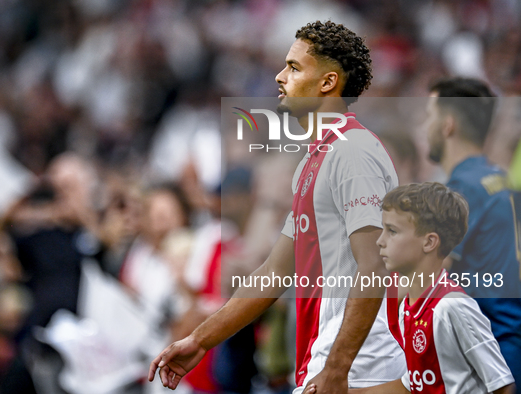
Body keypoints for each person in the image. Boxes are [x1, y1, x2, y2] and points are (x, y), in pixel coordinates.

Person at [148, 20, 406, 393]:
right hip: (327, 361)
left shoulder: (353, 153)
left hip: (362, 368)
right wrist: (201, 339)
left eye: (294, 67)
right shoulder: (314, 160)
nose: (279, 76)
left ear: (328, 82)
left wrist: (339, 368)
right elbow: (275, 270)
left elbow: (374, 264)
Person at [351, 182, 515, 393]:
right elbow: (412, 384)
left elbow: (502, 385)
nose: (380, 241)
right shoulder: (408, 308)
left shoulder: (452, 306)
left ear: (429, 242)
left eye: (391, 231)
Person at [425, 77, 521, 392]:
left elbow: (429, 277)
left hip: (489, 363)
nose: (424, 127)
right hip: (508, 349)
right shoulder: (499, 179)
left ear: (448, 125)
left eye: (428, 116)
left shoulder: (461, 190)